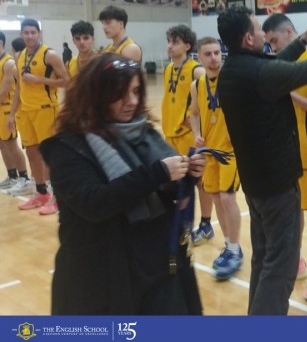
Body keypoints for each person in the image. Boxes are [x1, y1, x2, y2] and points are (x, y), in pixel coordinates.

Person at [40, 53, 206, 315]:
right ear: (95, 95)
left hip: (158, 266)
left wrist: (188, 175)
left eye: (137, 91)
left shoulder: (143, 132)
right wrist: (158, 173)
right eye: (120, 94)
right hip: (103, 276)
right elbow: (94, 203)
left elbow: (164, 192)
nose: (131, 102)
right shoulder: (68, 147)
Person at [216, 5, 307, 315]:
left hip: (255, 186)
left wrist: (302, 38)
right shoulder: (261, 73)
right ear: (248, 38)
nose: (264, 35)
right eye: (257, 29)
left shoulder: (232, 71)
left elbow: (275, 63)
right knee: (281, 267)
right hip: (277, 188)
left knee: (263, 260)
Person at [262, 13, 307, 301]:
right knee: (294, 211)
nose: (273, 48)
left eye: (275, 41)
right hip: (285, 151)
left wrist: (289, 94)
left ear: (290, 33)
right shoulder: (280, 63)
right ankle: (298, 259)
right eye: (269, 43)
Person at [189, 37, 243, 280]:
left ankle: (234, 248)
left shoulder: (232, 78)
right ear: (199, 57)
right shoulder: (197, 84)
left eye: (216, 53)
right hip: (209, 150)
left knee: (227, 197)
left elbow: (247, 108)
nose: (213, 58)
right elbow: (195, 113)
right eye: (208, 54)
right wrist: (197, 134)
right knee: (216, 198)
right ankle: (230, 245)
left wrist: (238, 129)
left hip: (229, 151)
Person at [9, 19, 69, 215]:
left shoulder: (49, 55)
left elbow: (66, 81)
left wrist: (39, 80)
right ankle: (41, 192)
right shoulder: (19, 56)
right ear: (21, 34)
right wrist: (12, 114)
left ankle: (58, 196)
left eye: (33, 32)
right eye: (25, 33)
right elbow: (18, 87)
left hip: (45, 109)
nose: (29, 36)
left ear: (39, 33)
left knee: (49, 155)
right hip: (25, 112)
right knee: (32, 153)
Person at [161, 25, 213, 246]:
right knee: (178, 183)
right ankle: (184, 224)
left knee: (201, 181)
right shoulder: (168, 69)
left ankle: (206, 224)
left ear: (187, 45)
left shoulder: (196, 70)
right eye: (169, 41)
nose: (170, 46)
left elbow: (205, 104)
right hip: (170, 135)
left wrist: (194, 125)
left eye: (175, 42)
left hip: (189, 136)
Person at [0, 33, 29, 193]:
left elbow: (3, 92)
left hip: (6, 108)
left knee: (11, 144)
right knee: (2, 145)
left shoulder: (8, 63)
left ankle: (24, 177)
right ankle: (12, 176)